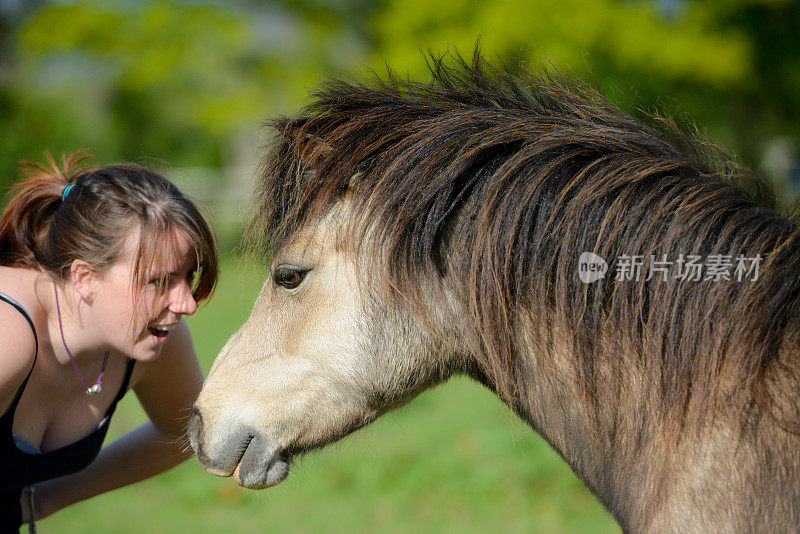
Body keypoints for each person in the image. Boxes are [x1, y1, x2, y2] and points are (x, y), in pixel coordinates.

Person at [0, 152, 218, 532]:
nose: (187, 304)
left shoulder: (150, 340)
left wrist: (44, 499)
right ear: (84, 277)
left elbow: (182, 430)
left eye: (189, 276)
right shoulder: (9, 336)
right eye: (159, 281)